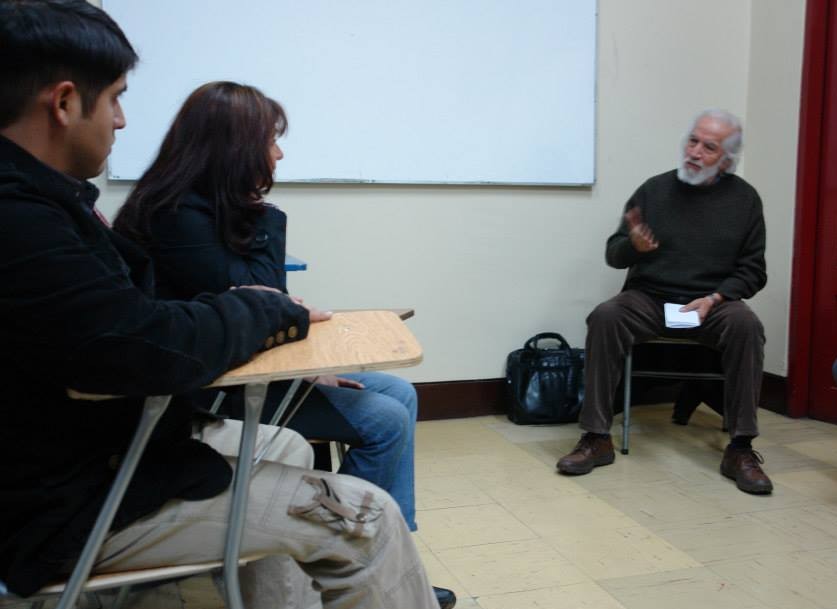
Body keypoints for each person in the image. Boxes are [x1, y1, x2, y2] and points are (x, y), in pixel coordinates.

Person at [0, 2, 440, 608]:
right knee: (371, 515)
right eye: (116, 99)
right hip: (69, 498)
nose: (124, 121)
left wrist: (262, 290)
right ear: (66, 102)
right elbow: (167, 330)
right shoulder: (63, 216)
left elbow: (239, 301)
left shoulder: (56, 204)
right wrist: (264, 301)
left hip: (103, 445)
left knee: (302, 438)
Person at [112, 80, 456, 609]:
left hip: (245, 365)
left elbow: (261, 308)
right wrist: (268, 215)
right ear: (235, 149)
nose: (278, 153)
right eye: (271, 140)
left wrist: (304, 360)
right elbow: (261, 296)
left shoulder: (206, 207)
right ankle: (349, 554)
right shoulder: (177, 215)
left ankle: (385, 555)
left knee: (396, 392)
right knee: (383, 420)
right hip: (205, 387)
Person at [557, 109, 772, 495]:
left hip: (712, 303)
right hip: (650, 298)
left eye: (709, 147)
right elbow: (614, 253)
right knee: (606, 316)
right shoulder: (654, 190)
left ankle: (740, 448)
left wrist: (716, 297)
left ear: (727, 159)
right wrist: (633, 247)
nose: (694, 151)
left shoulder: (744, 200)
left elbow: (754, 270)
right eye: (692, 140)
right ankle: (596, 437)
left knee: (746, 325)